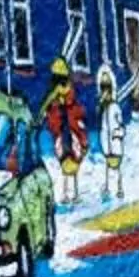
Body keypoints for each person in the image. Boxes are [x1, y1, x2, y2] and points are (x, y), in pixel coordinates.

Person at [43, 56, 89, 204]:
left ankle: (74, 193)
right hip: (62, 134)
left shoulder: (70, 98)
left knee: (73, 161)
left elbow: (77, 114)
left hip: (71, 132)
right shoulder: (55, 100)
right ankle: (65, 193)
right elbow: (51, 116)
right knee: (64, 162)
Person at [96, 64, 127, 202]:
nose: (105, 92)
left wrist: (117, 134)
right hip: (107, 145)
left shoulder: (115, 108)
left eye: (106, 88)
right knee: (108, 167)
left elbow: (121, 125)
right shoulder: (103, 109)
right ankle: (108, 188)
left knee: (117, 168)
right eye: (103, 88)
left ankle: (120, 188)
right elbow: (103, 127)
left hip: (115, 143)